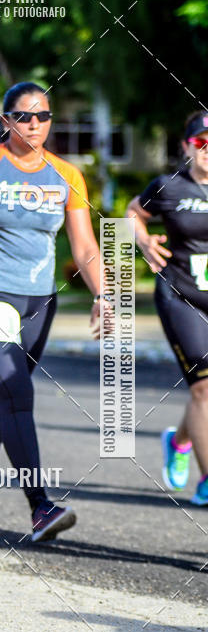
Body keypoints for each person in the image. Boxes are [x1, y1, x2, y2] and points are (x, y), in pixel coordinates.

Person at [0, 82, 107, 540]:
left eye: (43, 116)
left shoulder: (66, 174)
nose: (35, 124)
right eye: (24, 116)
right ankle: (39, 505)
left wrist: (106, 295)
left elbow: (84, 247)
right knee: (17, 393)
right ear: (6, 121)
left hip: (39, 300)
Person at [127, 111, 208, 506]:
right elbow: (132, 212)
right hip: (181, 297)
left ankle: (178, 442)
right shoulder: (169, 187)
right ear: (186, 146)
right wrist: (142, 240)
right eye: (201, 142)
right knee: (204, 388)